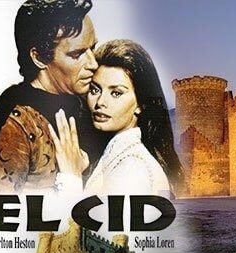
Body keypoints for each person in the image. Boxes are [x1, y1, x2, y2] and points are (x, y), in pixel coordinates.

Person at [0, 0, 107, 209]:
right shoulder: (8, 124)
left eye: (93, 48)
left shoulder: (91, 106)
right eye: (77, 54)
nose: (93, 63)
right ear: (38, 57)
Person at [51, 39, 184, 197]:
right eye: (95, 90)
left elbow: (83, 222)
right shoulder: (119, 157)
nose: (100, 102)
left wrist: (71, 180)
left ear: (141, 104)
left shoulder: (133, 166)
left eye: (116, 93)